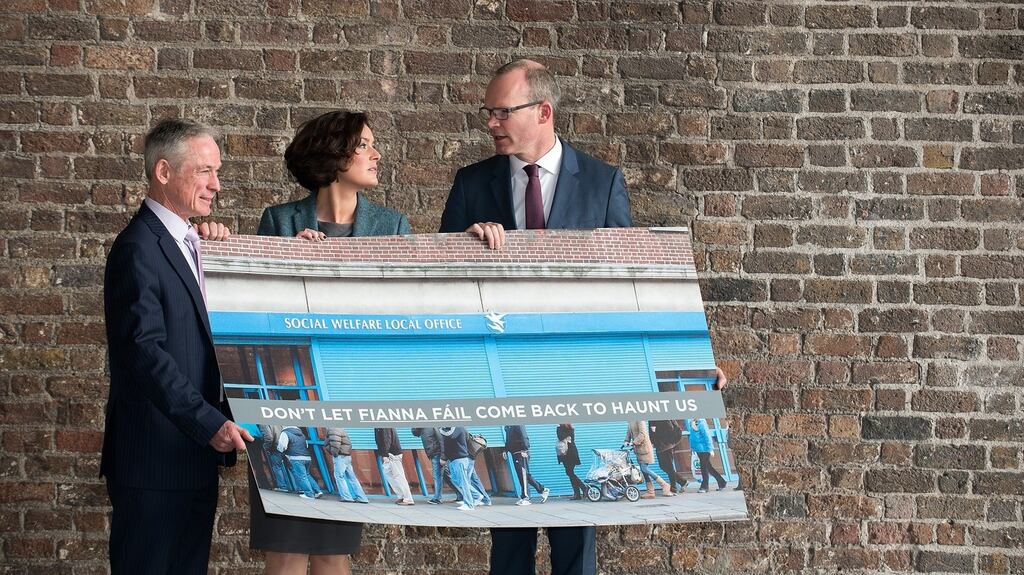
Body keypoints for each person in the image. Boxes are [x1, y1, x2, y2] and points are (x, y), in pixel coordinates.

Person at [438, 58, 630, 575]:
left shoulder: (602, 182)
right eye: (488, 113)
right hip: (503, 381)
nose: (491, 123)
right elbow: (444, 290)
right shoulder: (471, 184)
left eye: (502, 112)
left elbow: (628, 289)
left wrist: (684, 370)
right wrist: (464, 247)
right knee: (510, 535)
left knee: (575, 535)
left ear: (543, 111)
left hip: (574, 379)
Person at [251, 110, 409, 575]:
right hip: (285, 398)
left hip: (346, 399)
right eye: (364, 145)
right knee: (284, 552)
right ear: (335, 155)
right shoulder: (279, 221)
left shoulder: (392, 226)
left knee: (333, 552)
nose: (376, 154)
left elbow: (406, 314)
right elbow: (256, 316)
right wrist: (291, 269)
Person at [102, 118, 251, 574]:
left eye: (217, 172)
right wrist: (210, 422)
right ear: (163, 172)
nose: (216, 185)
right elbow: (143, 352)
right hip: (154, 465)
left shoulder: (190, 241)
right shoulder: (137, 248)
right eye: (205, 171)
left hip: (191, 460)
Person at [438, 426, 490, 510]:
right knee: (457, 480)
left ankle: (469, 504)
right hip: (456, 458)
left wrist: (443, 457)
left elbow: (449, 438)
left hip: (459, 458)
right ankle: (476, 495)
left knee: (463, 482)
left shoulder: (456, 429)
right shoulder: (457, 429)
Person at [624, 421, 674, 499]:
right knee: (643, 470)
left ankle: (664, 484)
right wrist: (626, 441)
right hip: (638, 450)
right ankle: (650, 492)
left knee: (644, 468)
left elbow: (642, 434)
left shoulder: (639, 420)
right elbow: (629, 432)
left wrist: (634, 442)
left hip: (644, 449)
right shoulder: (631, 421)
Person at [504, 425, 549, 505]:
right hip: (515, 453)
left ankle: (526, 498)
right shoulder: (508, 426)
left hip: (521, 452)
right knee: (524, 475)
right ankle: (542, 489)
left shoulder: (517, 424)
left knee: (523, 475)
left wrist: (525, 449)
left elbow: (524, 436)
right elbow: (508, 440)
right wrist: (506, 450)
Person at [325, 427, 368, 504]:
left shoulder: (333, 429)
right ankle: (362, 498)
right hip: (347, 456)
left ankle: (346, 497)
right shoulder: (340, 429)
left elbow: (335, 444)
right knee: (352, 478)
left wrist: (334, 454)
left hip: (340, 457)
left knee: (339, 477)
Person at [279, 426, 324, 499]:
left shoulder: (285, 433)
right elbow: (306, 445)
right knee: (307, 475)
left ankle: (309, 494)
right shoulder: (302, 434)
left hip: (296, 458)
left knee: (302, 476)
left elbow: (282, 446)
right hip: (307, 457)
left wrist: (281, 452)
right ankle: (318, 491)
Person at [375, 427, 414, 505]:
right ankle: (401, 496)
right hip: (390, 454)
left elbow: (387, 438)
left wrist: (385, 454)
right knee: (388, 473)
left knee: (399, 476)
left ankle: (408, 498)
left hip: (393, 454)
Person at [687, 418, 727, 493]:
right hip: (699, 449)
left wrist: (710, 449)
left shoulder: (701, 422)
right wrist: (693, 448)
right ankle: (722, 482)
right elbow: (693, 437)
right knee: (708, 467)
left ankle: (704, 486)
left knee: (704, 467)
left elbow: (707, 436)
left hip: (704, 449)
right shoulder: (693, 422)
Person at [648, 419, 687, 494]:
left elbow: (670, 429)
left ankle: (673, 487)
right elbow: (651, 430)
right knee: (663, 466)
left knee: (669, 466)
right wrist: (653, 441)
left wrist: (667, 441)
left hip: (666, 445)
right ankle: (682, 481)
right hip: (659, 446)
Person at [412, 427, 446, 504]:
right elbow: (415, 433)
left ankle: (437, 498)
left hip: (437, 453)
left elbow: (441, 440)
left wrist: (443, 456)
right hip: (433, 454)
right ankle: (460, 494)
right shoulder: (421, 428)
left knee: (437, 476)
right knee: (447, 476)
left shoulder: (433, 425)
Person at [555, 424, 585, 500]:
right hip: (568, 453)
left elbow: (560, 437)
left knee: (570, 473)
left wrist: (558, 427)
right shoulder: (569, 428)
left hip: (569, 454)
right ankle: (577, 494)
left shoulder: (565, 428)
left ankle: (584, 488)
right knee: (570, 473)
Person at [258, 424, 290, 491]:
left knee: (277, 467)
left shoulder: (262, 423)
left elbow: (269, 438)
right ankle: (299, 487)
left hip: (275, 447)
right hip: (284, 446)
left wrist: (265, 449)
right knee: (290, 467)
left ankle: (283, 487)